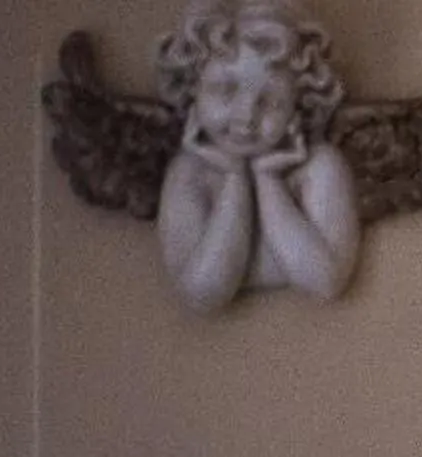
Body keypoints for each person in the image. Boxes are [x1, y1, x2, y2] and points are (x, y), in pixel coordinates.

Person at [153, 0, 362, 312]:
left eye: (272, 101)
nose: (246, 115)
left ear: (299, 106)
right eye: (225, 89)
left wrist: (268, 180)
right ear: (192, 89)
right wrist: (236, 177)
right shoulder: (189, 172)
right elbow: (204, 293)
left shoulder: (319, 166)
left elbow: (325, 281)